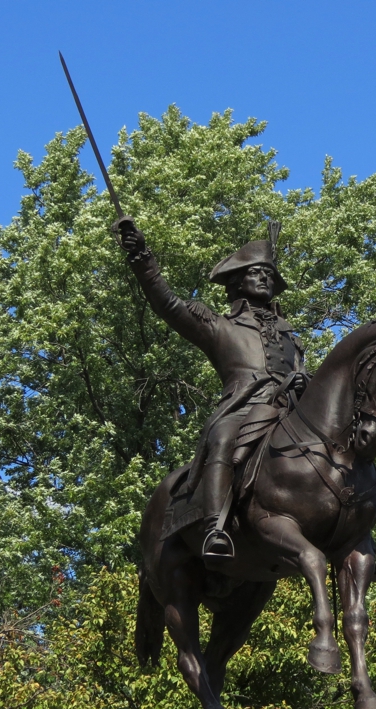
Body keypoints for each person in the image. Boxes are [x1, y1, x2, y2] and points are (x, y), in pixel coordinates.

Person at [116, 218, 308, 562]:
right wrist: (142, 258)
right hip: (245, 409)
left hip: (292, 411)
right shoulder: (218, 326)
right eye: (256, 272)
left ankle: (351, 534)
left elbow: (303, 373)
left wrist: (304, 382)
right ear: (237, 282)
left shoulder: (291, 337)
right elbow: (168, 304)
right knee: (223, 438)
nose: (265, 277)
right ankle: (215, 527)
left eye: (269, 273)